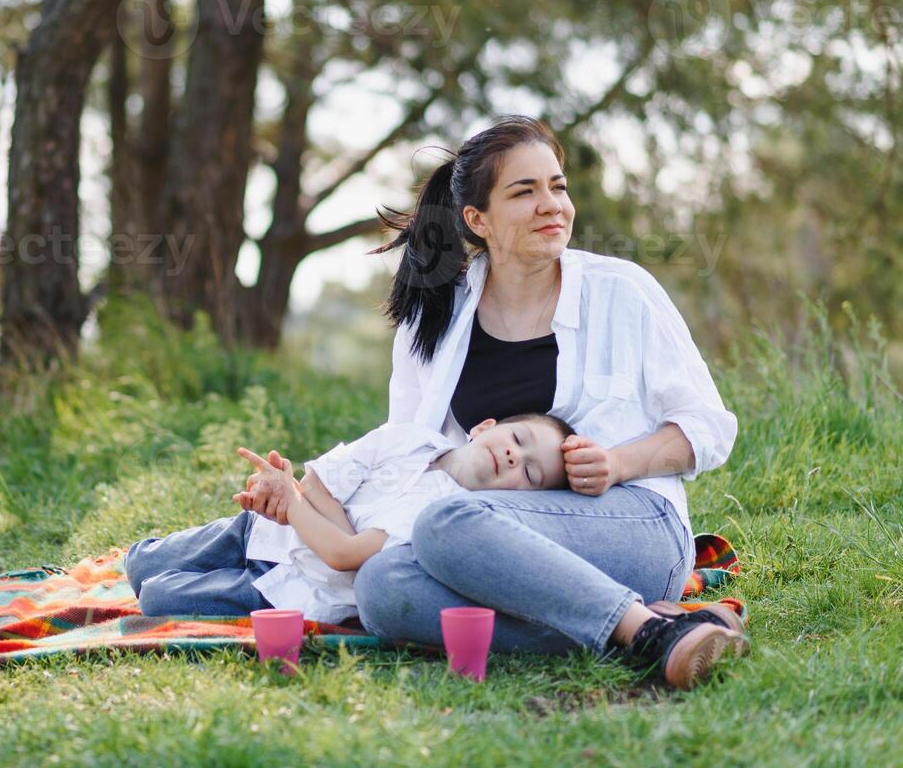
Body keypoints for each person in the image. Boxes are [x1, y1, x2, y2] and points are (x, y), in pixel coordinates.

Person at [237, 115, 749, 690]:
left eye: (557, 186)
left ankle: (648, 632)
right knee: (381, 587)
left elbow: (708, 429)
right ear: (476, 219)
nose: (551, 204)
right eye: (524, 191)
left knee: (444, 519)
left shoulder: (621, 291)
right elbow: (410, 460)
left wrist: (619, 463)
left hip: (630, 522)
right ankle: (651, 627)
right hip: (478, 534)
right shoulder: (437, 313)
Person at [124, 412, 574, 624]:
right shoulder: (409, 439)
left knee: (156, 597)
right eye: (518, 437)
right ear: (484, 427)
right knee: (139, 565)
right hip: (265, 533)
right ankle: (185, 559)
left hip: (292, 591)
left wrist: (295, 503)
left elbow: (344, 556)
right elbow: (319, 483)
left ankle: (205, 580)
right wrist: (288, 498)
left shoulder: (448, 516)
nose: (516, 456)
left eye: (531, 473)